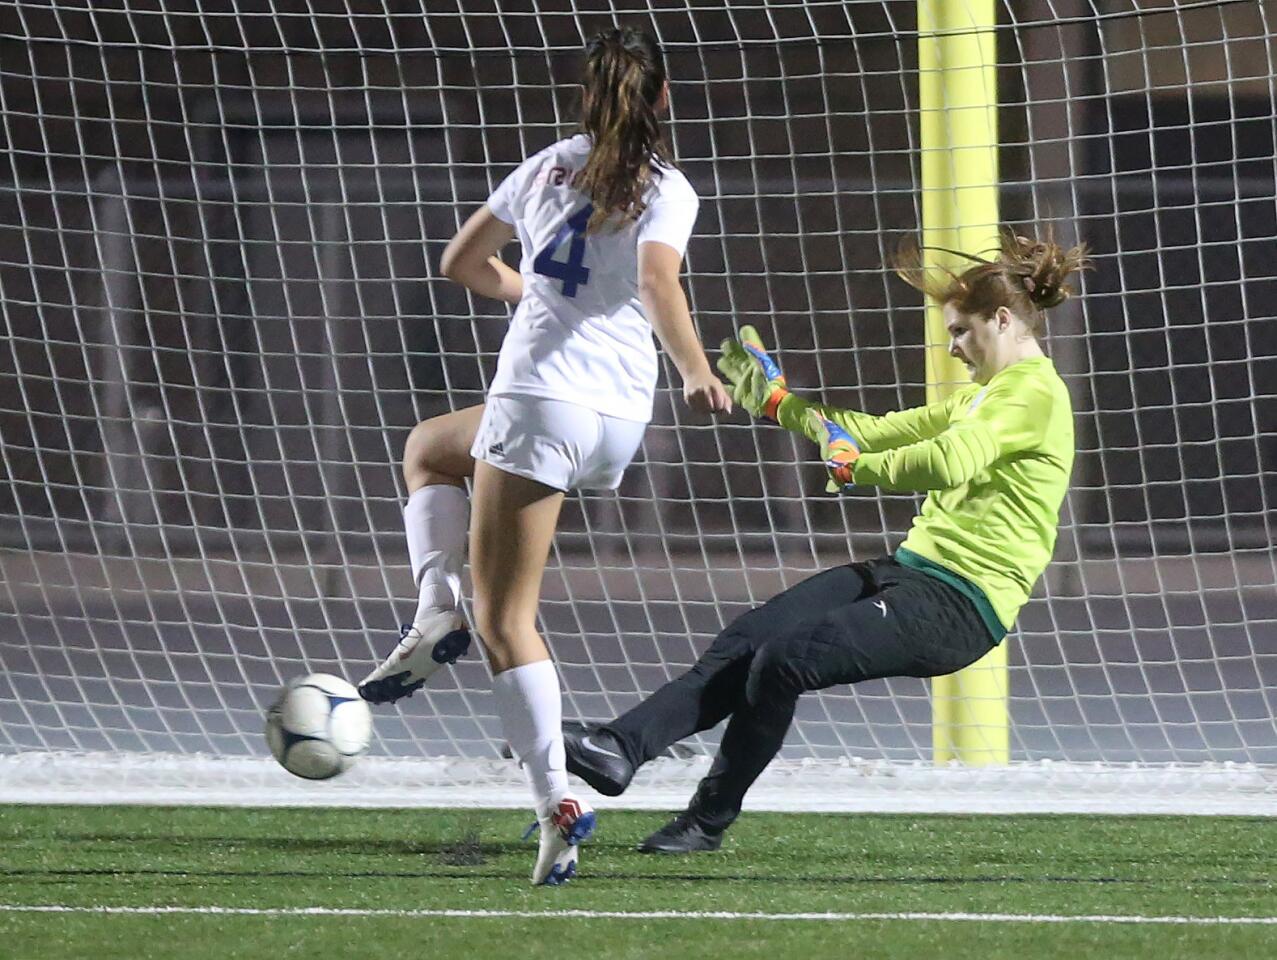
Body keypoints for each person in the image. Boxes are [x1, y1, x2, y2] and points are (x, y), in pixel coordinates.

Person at [563, 230, 1090, 853]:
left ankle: (707, 821)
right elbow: (874, 430)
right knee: (747, 640)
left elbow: (950, 461)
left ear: (1002, 320)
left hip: (961, 606)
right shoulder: (987, 394)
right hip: (911, 571)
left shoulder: (1033, 393)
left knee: (785, 660)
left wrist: (854, 468)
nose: (952, 348)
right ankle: (619, 748)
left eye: (959, 331)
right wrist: (783, 405)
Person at [357, 26, 731, 885]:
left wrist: (527, 287)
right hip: (617, 421)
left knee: (504, 618)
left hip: (537, 407)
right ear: (662, 97)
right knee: (431, 448)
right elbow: (654, 281)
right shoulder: (669, 187)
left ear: (586, 97)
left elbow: (460, 262)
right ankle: (433, 610)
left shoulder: (547, 164)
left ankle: (554, 798)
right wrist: (692, 371)